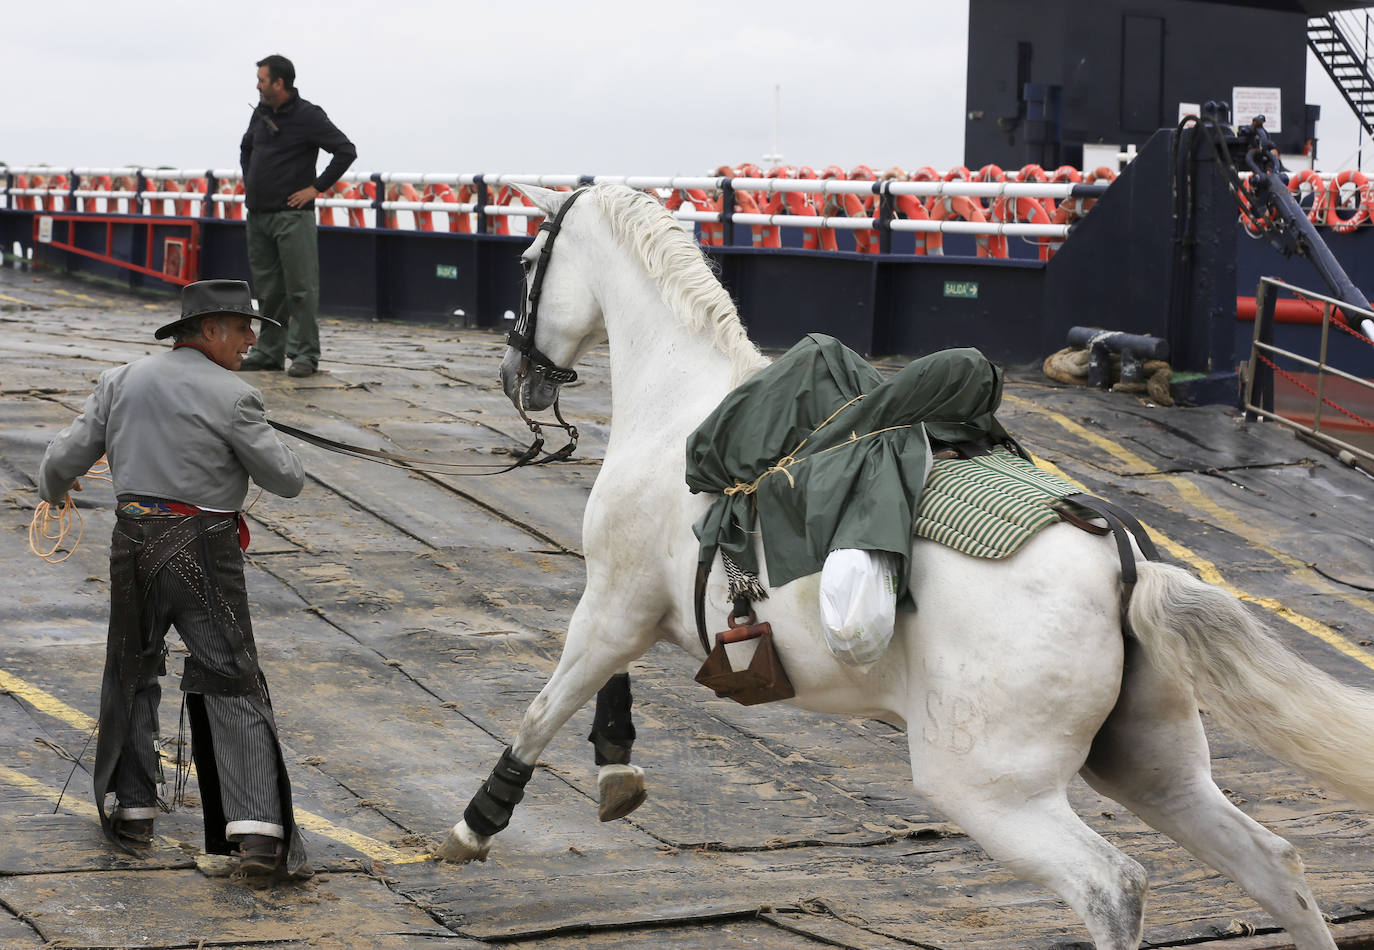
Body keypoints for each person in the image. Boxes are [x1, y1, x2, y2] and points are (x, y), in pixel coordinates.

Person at [37, 279, 312, 879]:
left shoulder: (120, 380)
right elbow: (287, 479)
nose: (251, 340)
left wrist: (54, 489)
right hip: (203, 551)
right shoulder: (235, 396)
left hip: (131, 544)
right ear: (210, 329)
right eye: (243, 328)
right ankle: (260, 835)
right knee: (230, 677)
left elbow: (62, 459)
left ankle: (132, 810)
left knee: (132, 671)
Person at [239, 53, 356, 378]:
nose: (258, 85)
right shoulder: (261, 113)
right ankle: (268, 352)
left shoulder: (308, 115)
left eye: (262, 79)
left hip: (293, 216)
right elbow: (246, 148)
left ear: (279, 82)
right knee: (268, 290)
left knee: (301, 289)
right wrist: (251, 183)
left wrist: (315, 188)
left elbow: (345, 150)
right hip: (258, 214)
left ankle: (304, 354)